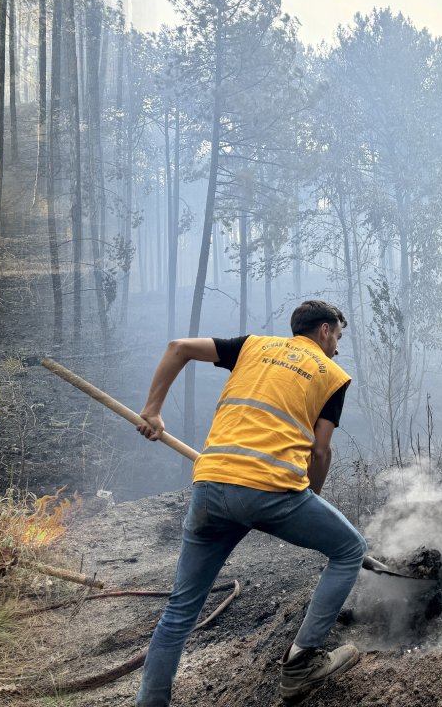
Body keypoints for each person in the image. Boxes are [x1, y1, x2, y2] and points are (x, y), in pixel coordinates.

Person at [134, 300, 367, 706]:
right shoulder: (331, 374)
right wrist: (311, 499)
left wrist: (152, 410)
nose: (338, 349)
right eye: (339, 338)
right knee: (349, 549)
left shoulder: (252, 346)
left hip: (210, 485)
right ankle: (301, 665)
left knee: (181, 609)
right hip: (271, 491)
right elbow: (321, 451)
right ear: (325, 331)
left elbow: (177, 348)